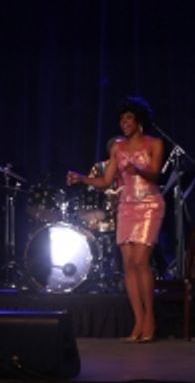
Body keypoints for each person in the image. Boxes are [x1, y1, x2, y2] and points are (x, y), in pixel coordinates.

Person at [67, 97, 165, 343]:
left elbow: (155, 174)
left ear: (139, 120)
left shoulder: (154, 143)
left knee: (141, 261)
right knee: (129, 264)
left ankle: (150, 319)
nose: (124, 123)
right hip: (126, 206)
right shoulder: (117, 148)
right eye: (121, 120)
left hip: (150, 204)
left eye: (128, 118)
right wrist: (81, 178)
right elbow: (106, 181)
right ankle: (138, 320)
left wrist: (138, 170)